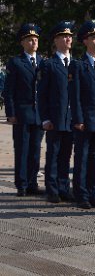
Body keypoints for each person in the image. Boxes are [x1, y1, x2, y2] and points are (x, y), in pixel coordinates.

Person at [3, 23, 45, 197]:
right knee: (22, 150)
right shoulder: (16, 62)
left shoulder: (43, 61)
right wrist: (11, 113)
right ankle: (21, 184)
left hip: (39, 114)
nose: (33, 42)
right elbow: (9, 90)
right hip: (21, 113)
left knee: (35, 150)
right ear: (23, 42)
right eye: (29, 39)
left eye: (35, 39)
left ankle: (32, 182)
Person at [70, 20, 95, 209]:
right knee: (82, 158)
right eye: (93, 37)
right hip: (84, 120)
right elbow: (74, 96)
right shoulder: (78, 65)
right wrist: (77, 119)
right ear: (85, 41)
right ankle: (81, 194)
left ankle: (94, 193)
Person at [38, 21, 76, 203]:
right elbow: (42, 94)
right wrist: (44, 118)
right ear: (56, 40)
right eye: (64, 36)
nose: (69, 39)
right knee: (53, 154)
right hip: (54, 118)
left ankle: (63, 187)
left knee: (66, 155)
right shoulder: (49, 64)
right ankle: (52, 189)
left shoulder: (76, 64)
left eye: (70, 36)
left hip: (71, 119)